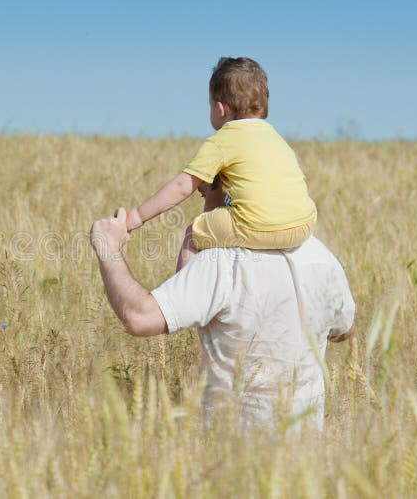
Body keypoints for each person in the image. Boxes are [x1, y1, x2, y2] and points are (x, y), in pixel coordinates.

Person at [91, 201, 355, 430]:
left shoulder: (222, 262)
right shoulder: (322, 257)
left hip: (231, 453)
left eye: (205, 193)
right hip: (309, 457)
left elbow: (139, 317)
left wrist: (108, 248)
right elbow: (346, 330)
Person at [125, 57, 317, 271]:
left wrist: (136, 217)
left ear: (220, 108)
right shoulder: (276, 137)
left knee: (193, 234)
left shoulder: (223, 139)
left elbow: (181, 187)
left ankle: (184, 295)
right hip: (303, 224)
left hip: (256, 226)